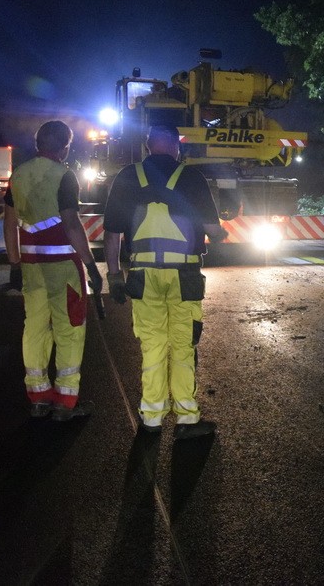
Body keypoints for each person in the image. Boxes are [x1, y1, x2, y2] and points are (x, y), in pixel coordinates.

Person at [102, 124, 226, 439]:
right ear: (176, 146)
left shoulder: (128, 177)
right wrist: (219, 232)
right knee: (183, 344)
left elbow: (112, 232)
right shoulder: (191, 178)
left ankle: (152, 418)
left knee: (153, 344)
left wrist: (114, 274)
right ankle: (186, 418)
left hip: (143, 275)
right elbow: (213, 228)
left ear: (147, 146)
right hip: (183, 276)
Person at [3, 120, 102, 421]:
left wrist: (14, 263)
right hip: (63, 268)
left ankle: (38, 396)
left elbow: (9, 223)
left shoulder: (17, 175)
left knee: (34, 328)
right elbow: (71, 225)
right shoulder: (64, 175)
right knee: (69, 329)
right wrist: (91, 266)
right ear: (64, 147)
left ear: (37, 144)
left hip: (32, 268)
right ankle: (65, 402)